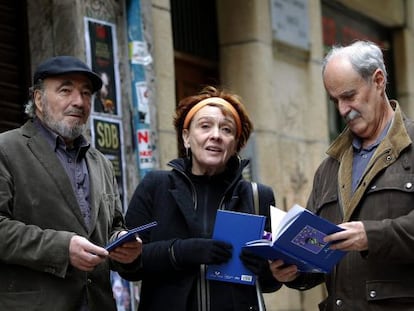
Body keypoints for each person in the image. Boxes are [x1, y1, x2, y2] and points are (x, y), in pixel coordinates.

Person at [270, 40, 414, 310]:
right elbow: (313, 247)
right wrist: (292, 271)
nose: (342, 110)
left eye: (349, 96)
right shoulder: (329, 167)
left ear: (379, 81)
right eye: (335, 100)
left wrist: (371, 235)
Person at [0, 55, 142, 310]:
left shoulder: (101, 162)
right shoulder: (6, 149)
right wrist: (62, 248)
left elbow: (113, 226)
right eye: (66, 90)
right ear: (38, 99)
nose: (79, 101)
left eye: (86, 93)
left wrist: (124, 246)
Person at [120, 86, 281, 311]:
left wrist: (267, 270)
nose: (216, 135)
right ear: (186, 137)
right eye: (205, 126)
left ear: (235, 144)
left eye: (227, 130)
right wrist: (182, 252)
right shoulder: (156, 186)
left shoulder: (258, 196)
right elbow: (127, 264)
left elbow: (271, 281)